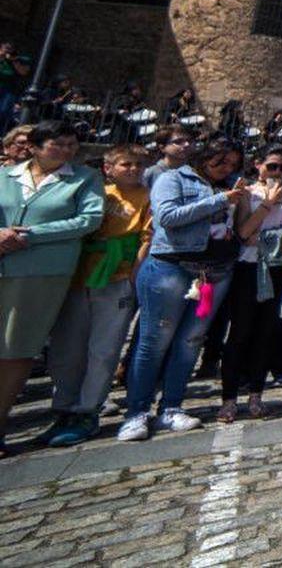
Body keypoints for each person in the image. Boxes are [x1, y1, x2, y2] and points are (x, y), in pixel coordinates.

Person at [118, 137, 246, 441]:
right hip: (171, 269)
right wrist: (221, 200)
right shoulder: (171, 178)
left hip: (213, 275)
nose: (225, 168)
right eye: (221, 161)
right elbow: (168, 217)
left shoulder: (232, 186)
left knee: (191, 340)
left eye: (231, 163)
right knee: (154, 340)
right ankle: (137, 411)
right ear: (206, 156)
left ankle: (172, 406)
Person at [0, 121, 105, 456]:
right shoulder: (6, 176)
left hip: (41, 273)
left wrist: (30, 235)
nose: (65, 151)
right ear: (34, 146)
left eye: (71, 145)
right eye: (57, 144)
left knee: (17, 347)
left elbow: (88, 220)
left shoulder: (85, 179)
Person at [38, 144, 146, 447]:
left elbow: (146, 240)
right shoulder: (95, 191)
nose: (134, 169)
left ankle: (88, 410)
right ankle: (64, 407)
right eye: (127, 164)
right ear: (108, 168)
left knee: (104, 349)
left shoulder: (146, 196)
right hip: (80, 274)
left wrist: (134, 279)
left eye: (138, 165)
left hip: (118, 276)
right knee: (67, 348)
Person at [217, 146, 282, 422]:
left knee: (266, 333)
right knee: (240, 333)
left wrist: (267, 237)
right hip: (248, 267)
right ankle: (229, 398)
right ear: (259, 166)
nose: (277, 173)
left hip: (276, 268)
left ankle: (256, 393)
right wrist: (266, 207)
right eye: (272, 166)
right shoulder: (248, 193)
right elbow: (243, 232)